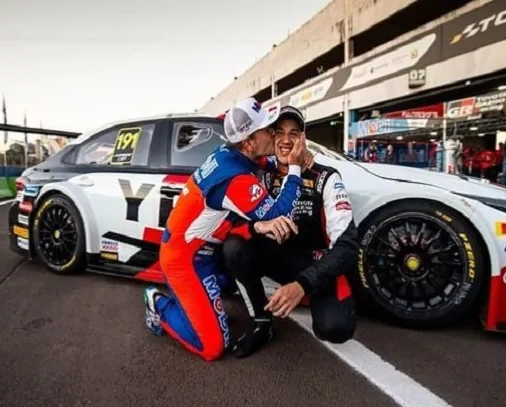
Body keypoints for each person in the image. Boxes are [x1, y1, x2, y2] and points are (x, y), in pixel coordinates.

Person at [142, 97, 310, 362]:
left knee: (241, 255)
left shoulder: (232, 153)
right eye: (268, 130)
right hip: (186, 261)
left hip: (208, 252)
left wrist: (285, 162)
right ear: (249, 142)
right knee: (212, 347)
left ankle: (196, 300)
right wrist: (296, 169)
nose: (274, 133)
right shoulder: (234, 179)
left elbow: (265, 164)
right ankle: (158, 304)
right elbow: (281, 216)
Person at [222, 105, 359, 358]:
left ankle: (300, 294)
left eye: (294, 133)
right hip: (279, 260)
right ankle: (261, 322)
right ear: (271, 137)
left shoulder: (326, 177)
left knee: (336, 328)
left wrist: (302, 284)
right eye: (279, 132)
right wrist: (257, 226)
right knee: (233, 246)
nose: (286, 140)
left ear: (304, 138)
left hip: (316, 266)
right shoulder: (261, 175)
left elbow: (348, 245)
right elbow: (233, 224)